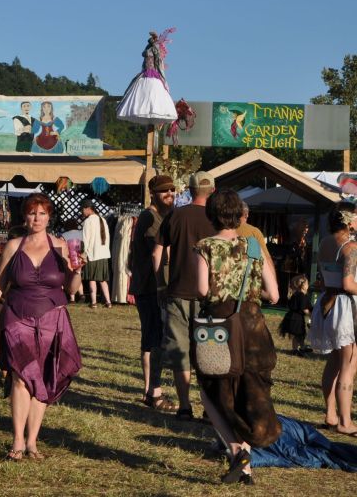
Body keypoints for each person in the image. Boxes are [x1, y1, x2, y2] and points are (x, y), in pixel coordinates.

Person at [0, 193, 83, 461]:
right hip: (17, 317)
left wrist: (76, 272)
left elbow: (72, 290)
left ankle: (32, 442)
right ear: (24, 217)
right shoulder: (14, 246)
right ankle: (17, 441)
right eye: (31, 213)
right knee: (20, 377)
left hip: (52, 318)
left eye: (42, 213)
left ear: (49, 217)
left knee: (43, 377)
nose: (36, 218)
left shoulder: (63, 246)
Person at [194, 189, 280, 484]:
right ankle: (245, 468)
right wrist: (253, 292)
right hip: (254, 327)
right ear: (238, 215)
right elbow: (275, 294)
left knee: (212, 389)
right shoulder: (254, 245)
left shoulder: (205, 246)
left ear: (212, 215)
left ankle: (235, 449)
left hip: (221, 324)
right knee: (247, 390)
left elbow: (202, 290)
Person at [154, 170, 216, 421]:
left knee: (181, 353)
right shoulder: (217, 219)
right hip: (209, 297)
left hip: (177, 292)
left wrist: (160, 285)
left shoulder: (175, 216)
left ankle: (184, 406)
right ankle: (210, 409)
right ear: (212, 190)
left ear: (188, 190)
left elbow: (157, 254)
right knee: (209, 353)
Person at [128, 175, 178, 411]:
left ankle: (149, 390)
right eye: (164, 191)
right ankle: (151, 392)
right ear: (153, 194)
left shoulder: (161, 215)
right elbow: (159, 251)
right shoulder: (151, 217)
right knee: (153, 338)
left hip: (149, 285)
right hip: (149, 287)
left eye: (172, 190)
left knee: (152, 338)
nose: (170, 194)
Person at [308, 209, 357, 436]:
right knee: (349, 365)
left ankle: (330, 413)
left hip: (327, 304)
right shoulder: (350, 247)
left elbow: (323, 277)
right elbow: (348, 284)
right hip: (345, 307)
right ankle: (345, 422)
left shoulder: (326, 243)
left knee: (334, 362)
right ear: (348, 222)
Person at [116, 29, 178, 124]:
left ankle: (152, 110)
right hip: (145, 74)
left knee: (152, 95)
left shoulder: (155, 52)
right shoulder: (149, 50)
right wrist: (152, 42)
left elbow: (156, 54)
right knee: (138, 91)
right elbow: (144, 53)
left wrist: (154, 42)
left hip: (152, 75)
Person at [80, 199, 112, 308]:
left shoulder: (88, 221)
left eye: (82, 210)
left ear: (88, 209)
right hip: (103, 254)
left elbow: (86, 239)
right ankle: (108, 302)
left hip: (92, 254)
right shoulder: (102, 219)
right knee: (102, 280)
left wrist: (84, 253)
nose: (82, 212)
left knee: (92, 279)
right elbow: (107, 238)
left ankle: (93, 302)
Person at [279, 275, 312, 354]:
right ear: (303, 285)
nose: (308, 285)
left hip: (293, 317)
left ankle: (302, 347)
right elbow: (304, 308)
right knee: (298, 335)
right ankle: (295, 349)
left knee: (300, 334)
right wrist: (311, 315)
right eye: (307, 283)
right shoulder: (301, 296)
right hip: (296, 318)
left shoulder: (296, 294)